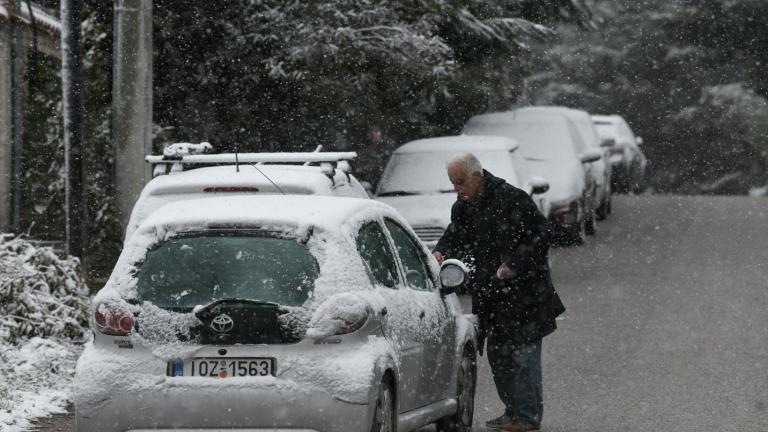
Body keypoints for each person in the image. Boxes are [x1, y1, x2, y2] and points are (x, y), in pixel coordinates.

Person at [432, 153, 565, 432]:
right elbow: (456, 234)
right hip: (492, 295)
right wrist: (442, 250)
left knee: (524, 356)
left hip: (525, 294)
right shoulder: (465, 206)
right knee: (499, 354)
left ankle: (527, 416)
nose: (457, 188)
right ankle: (512, 411)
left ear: (477, 177)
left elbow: (541, 235)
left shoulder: (511, 199)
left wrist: (515, 264)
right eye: (453, 182)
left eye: (460, 181)